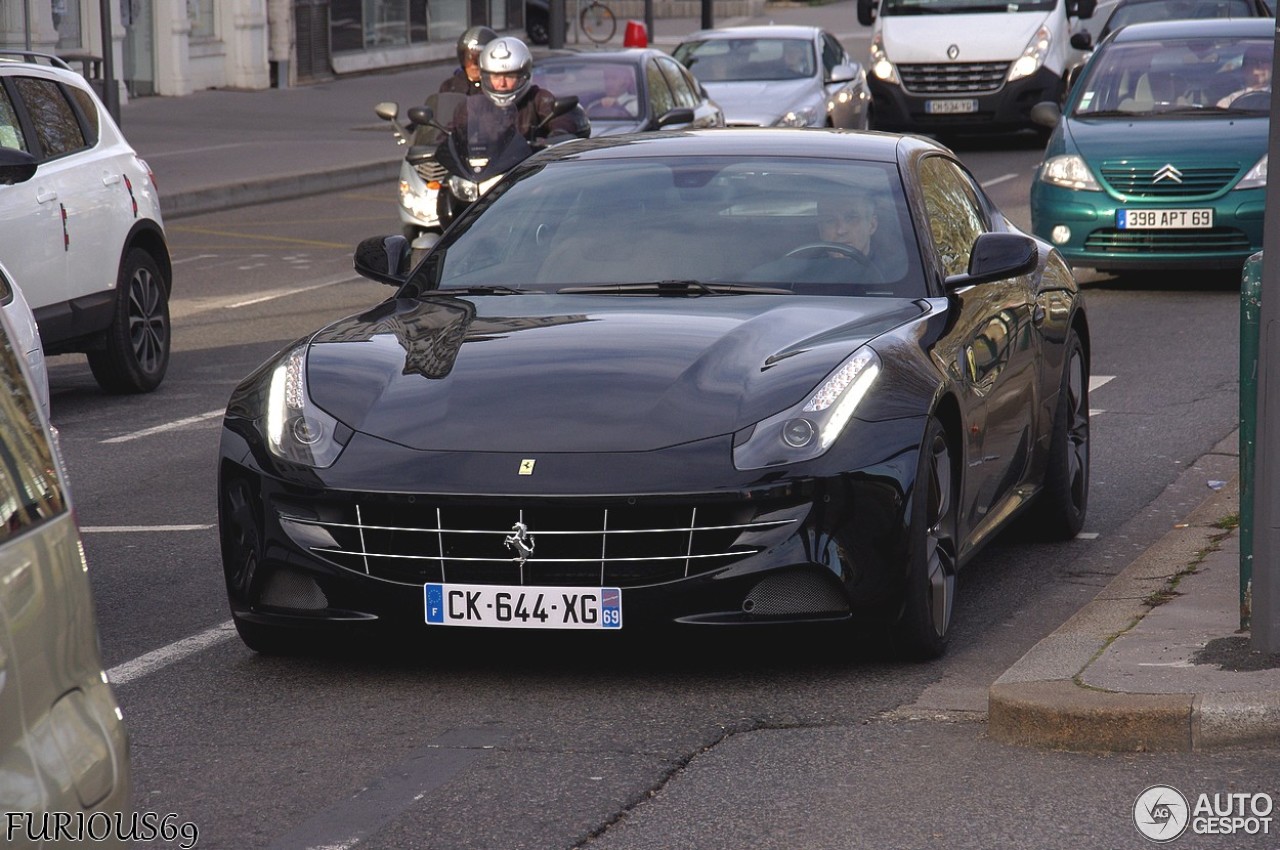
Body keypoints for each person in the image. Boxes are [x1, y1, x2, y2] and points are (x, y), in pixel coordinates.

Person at [439, 26, 497, 96]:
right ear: (462, 58)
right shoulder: (449, 87)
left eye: (479, 58)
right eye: (469, 58)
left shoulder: (498, 86)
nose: (474, 64)